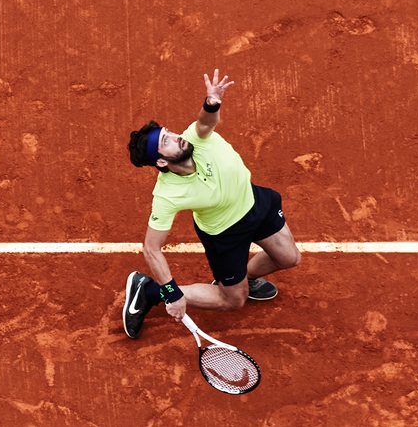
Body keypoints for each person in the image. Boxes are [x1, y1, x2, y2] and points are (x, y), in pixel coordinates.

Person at [121, 70, 301, 339]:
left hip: (255, 202)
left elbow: (205, 122)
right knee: (233, 301)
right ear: (160, 162)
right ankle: (148, 291)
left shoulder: (196, 138)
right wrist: (171, 292)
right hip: (225, 233)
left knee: (289, 258)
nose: (176, 137)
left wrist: (212, 102)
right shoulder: (167, 194)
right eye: (165, 141)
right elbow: (151, 248)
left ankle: (241, 279)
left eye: (169, 132)